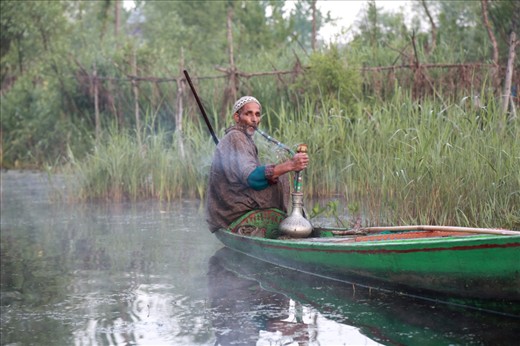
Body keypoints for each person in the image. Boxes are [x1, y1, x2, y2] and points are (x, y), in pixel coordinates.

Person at [205, 96, 309, 232]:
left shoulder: (242, 138)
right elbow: (252, 179)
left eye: (257, 114)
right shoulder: (236, 137)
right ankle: (278, 226)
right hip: (231, 210)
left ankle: (282, 223)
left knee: (277, 174)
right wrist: (289, 165)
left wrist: (281, 169)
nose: (254, 120)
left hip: (234, 204)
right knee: (279, 175)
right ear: (237, 117)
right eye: (248, 114)